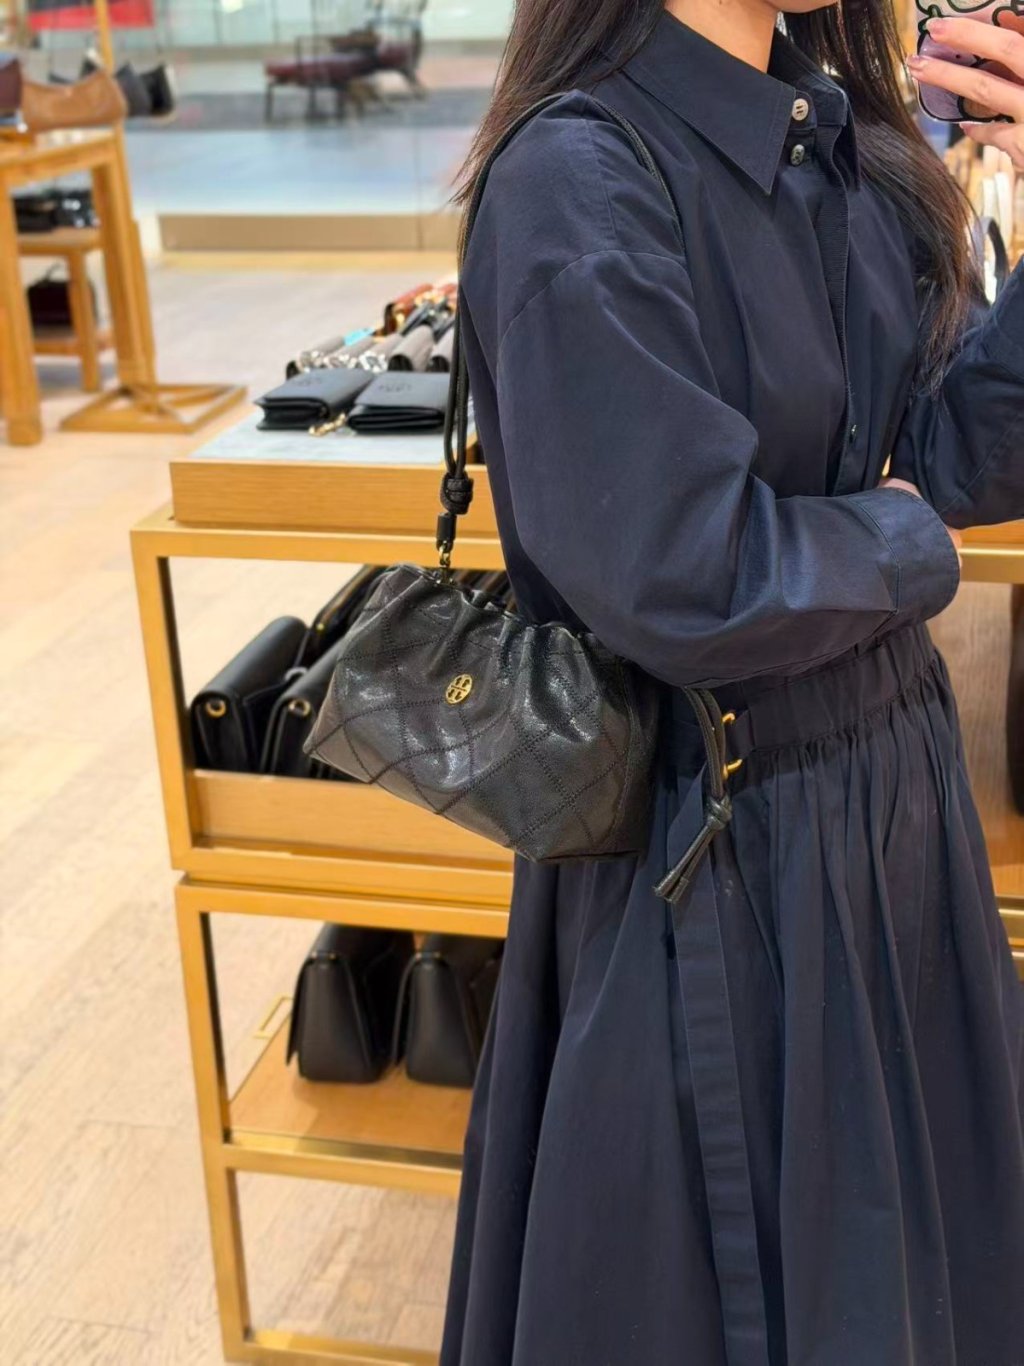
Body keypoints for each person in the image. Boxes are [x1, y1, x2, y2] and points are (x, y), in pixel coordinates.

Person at [439, 2, 1024, 1364]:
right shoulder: (578, 182)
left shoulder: (831, 132)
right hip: (716, 844)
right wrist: (900, 538)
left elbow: (957, 455)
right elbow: (683, 574)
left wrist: (893, 521)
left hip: (890, 805)